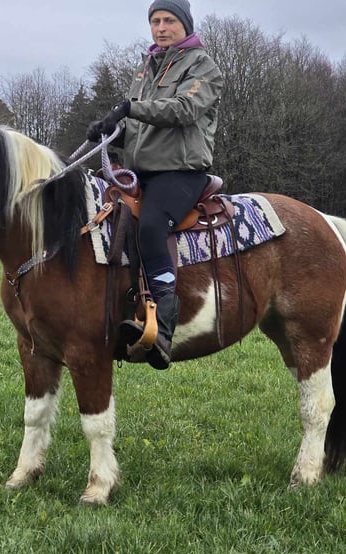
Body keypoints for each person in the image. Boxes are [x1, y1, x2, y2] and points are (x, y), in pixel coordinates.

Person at [87, 0, 224, 370]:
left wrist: (130, 109)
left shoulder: (202, 66)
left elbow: (183, 110)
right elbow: (139, 126)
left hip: (181, 172)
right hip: (142, 171)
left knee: (150, 227)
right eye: (155, 21)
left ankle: (163, 323)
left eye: (168, 21)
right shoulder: (147, 66)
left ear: (184, 25)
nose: (161, 28)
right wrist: (109, 133)